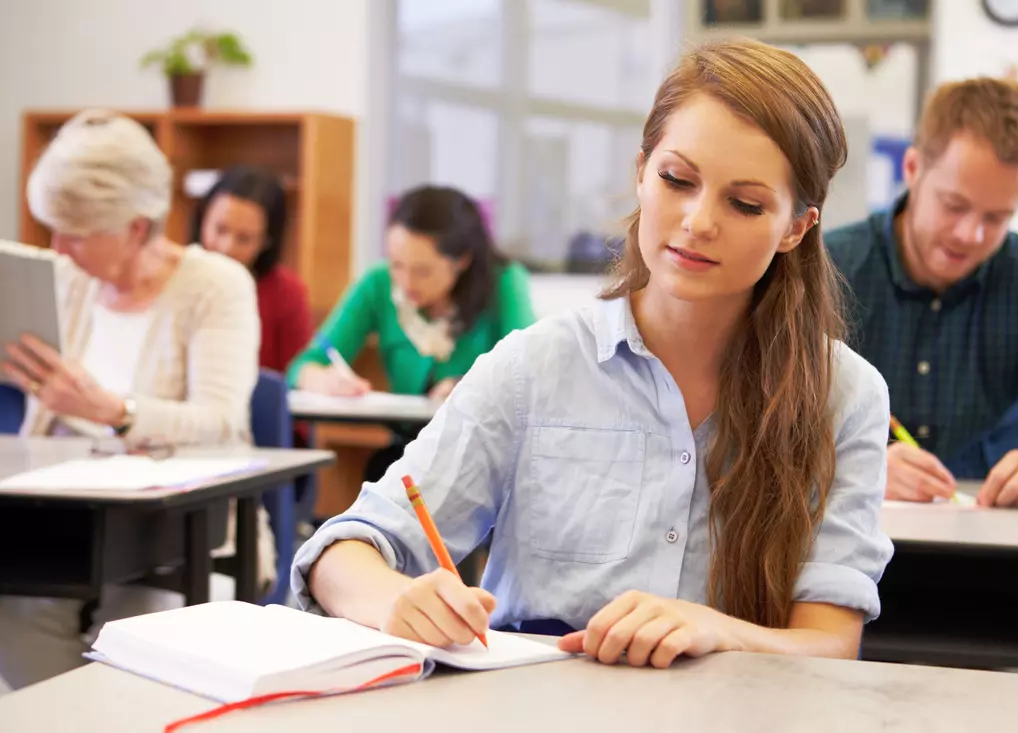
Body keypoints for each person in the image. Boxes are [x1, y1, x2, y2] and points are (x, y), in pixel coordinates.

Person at [291, 40, 893, 668]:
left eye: (745, 204)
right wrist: (394, 600)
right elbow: (342, 551)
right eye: (676, 180)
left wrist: (716, 629)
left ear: (796, 228)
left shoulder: (842, 394)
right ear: (641, 171)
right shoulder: (534, 366)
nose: (697, 221)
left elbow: (830, 643)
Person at [0, 109, 274, 690]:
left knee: (139, 635)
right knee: (14, 611)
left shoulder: (216, 285)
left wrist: (114, 412)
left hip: (181, 534)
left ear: (133, 225)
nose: (58, 246)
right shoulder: (66, 277)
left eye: (74, 232)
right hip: (64, 527)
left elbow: (222, 418)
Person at [826, 77, 1018, 510]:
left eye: (996, 217)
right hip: (848, 532)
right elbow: (752, 428)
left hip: (986, 544)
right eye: (954, 205)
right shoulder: (828, 268)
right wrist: (852, 463)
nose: (970, 235)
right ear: (912, 169)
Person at [286, 184, 537, 479]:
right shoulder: (378, 283)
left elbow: (527, 371)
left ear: (462, 261)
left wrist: (466, 386)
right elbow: (303, 365)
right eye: (397, 265)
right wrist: (319, 378)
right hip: (406, 453)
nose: (405, 282)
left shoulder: (504, 282)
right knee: (384, 475)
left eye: (423, 271)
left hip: (482, 454)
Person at [192, 165, 312, 375]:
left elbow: (297, 371)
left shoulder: (286, 292)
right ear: (203, 220)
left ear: (266, 241)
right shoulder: (173, 275)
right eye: (220, 229)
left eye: (244, 239)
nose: (227, 248)